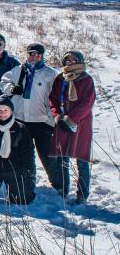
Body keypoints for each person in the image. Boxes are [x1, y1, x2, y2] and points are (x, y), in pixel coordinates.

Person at [0, 43, 61, 191]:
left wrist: (50, 120)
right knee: (24, 155)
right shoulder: (18, 70)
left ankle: (59, 186)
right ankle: (27, 182)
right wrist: (11, 89)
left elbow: (55, 98)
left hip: (41, 122)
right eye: (30, 53)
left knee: (48, 157)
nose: (33, 57)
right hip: (21, 120)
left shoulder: (50, 74)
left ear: (42, 55)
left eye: (37, 54)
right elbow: (4, 81)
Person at [49, 51, 96, 204]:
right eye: (67, 59)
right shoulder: (60, 78)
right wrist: (57, 116)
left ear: (79, 61)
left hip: (80, 123)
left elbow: (87, 103)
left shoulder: (86, 79)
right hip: (62, 122)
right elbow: (53, 99)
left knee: (81, 159)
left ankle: (82, 194)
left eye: (72, 59)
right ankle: (63, 189)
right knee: (62, 157)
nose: (69, 62)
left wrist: (71, 119)